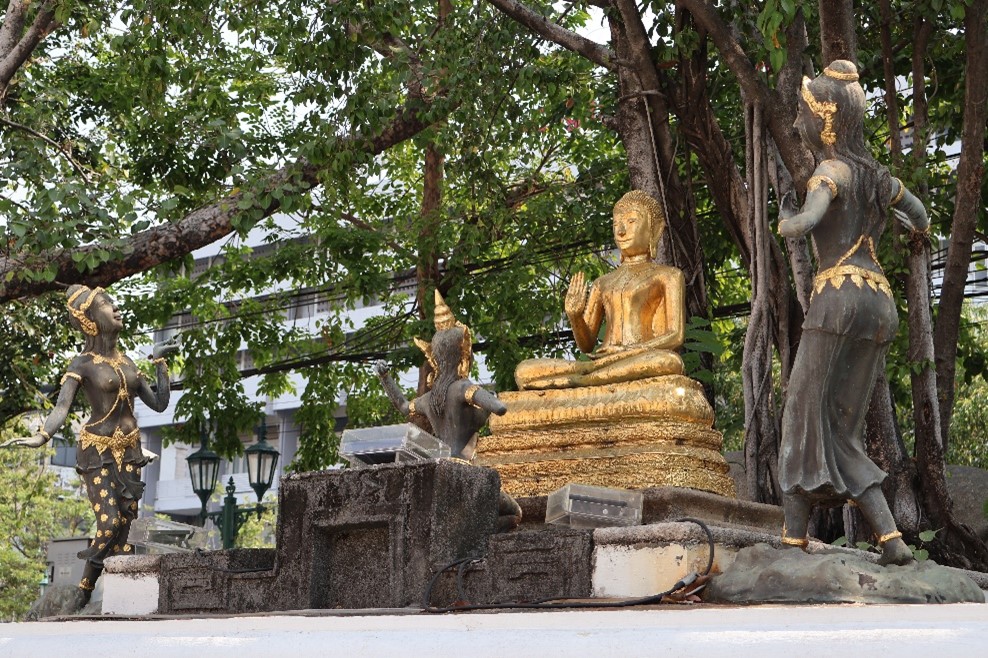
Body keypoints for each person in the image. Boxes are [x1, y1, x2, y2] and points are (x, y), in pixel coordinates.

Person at [777, 60, 928, 566]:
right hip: (879, 301)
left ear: (825, 121)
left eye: (803, 115)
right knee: (840, 426)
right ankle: (892, 540)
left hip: (837, 298)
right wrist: (916, 236)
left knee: (800, 412)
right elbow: (921, 215)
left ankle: (792, 543)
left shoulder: (832, 170)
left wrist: (786, 222)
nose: (797, 123)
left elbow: (808, 222)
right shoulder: (881, 178)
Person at [1, 285, 178, 599]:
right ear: (89, 320)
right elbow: (61, 408)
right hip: (96, 450)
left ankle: (121, 596)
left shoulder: (129, 364)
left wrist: (161, 364)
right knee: (109, 523)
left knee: (127, 529)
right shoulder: (81, 364)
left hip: (131, 450)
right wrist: (42, 435)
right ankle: (84, 590)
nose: (116, 308)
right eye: (107, 304)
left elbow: (160, 404)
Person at [514, 190, 686, 390]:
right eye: (615, 224)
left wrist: (630, 352)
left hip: (639, 358)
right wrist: (575, 316)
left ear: (654, 230)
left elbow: (676, 335)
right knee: (524, 371)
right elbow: (587, 345)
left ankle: (582, 381)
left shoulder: (668, 275)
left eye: (631, 221)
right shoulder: (602, 282)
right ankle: (591, 377)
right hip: (599, 361)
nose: (621, 230)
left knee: (668, 362)